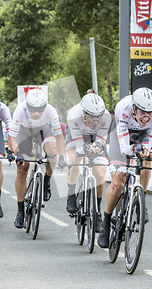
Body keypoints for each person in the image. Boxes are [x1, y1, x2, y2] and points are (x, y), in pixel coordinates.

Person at [98, 87, 152, 248]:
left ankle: (142, 198)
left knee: (147, 159)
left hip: (143, 136)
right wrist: (133, 149)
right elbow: (124, 147)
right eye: (142, 112)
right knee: (118, 181)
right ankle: (105, 223)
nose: (146, 116)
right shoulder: (123, 108)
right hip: (122, 135)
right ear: (134, 108)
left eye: (150, 112)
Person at [8, 89, 67, 228]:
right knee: (22, 169)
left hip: (42, 130)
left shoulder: (50, 111)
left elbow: (59, 136)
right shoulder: (19, 110)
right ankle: (20, 210)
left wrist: (62, 157)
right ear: (27, 106)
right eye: (33, 110)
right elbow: (12, 137)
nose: (36, 113)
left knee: (53, 152)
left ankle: (46, 180)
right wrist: (18, 154)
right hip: (24, 132)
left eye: (39, 110)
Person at [65, 93, 110, 232]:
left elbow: (102, 139)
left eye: (98, 117)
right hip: (76, 135)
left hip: (95, 137)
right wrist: (85, 148)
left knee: (100, 172)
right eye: (91, 116)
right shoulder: (73, 114)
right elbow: (78, 143)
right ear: (84, 113)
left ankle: (96, 210)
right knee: (74, 160)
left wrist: (96, 146)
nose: (95, 120)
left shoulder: (107, 117)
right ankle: (71, 194)